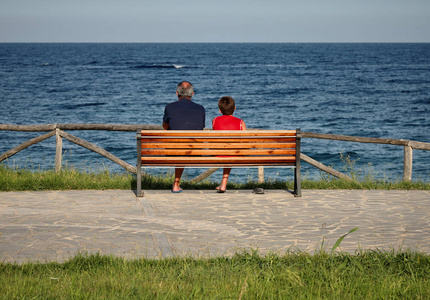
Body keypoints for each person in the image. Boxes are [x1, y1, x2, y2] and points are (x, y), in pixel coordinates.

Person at [163, 81, 205, 193]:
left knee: (179, 146)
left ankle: (176, 184)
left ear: (177, 93)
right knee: (183, 146)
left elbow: (165, 126)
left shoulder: (169, 107)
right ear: (193, 94)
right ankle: (176, 184)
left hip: (174, 150)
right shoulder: (201, 109)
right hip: (195, 151)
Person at [212, 96, 246, 193]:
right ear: (234, 108)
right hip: (234, 153)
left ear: (220, 110)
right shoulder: (240, 122)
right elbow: (246, 140)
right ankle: (224, 183)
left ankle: (223, 183)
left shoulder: (215, 120)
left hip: (218, 152)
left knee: (227, 151)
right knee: (231, 151)